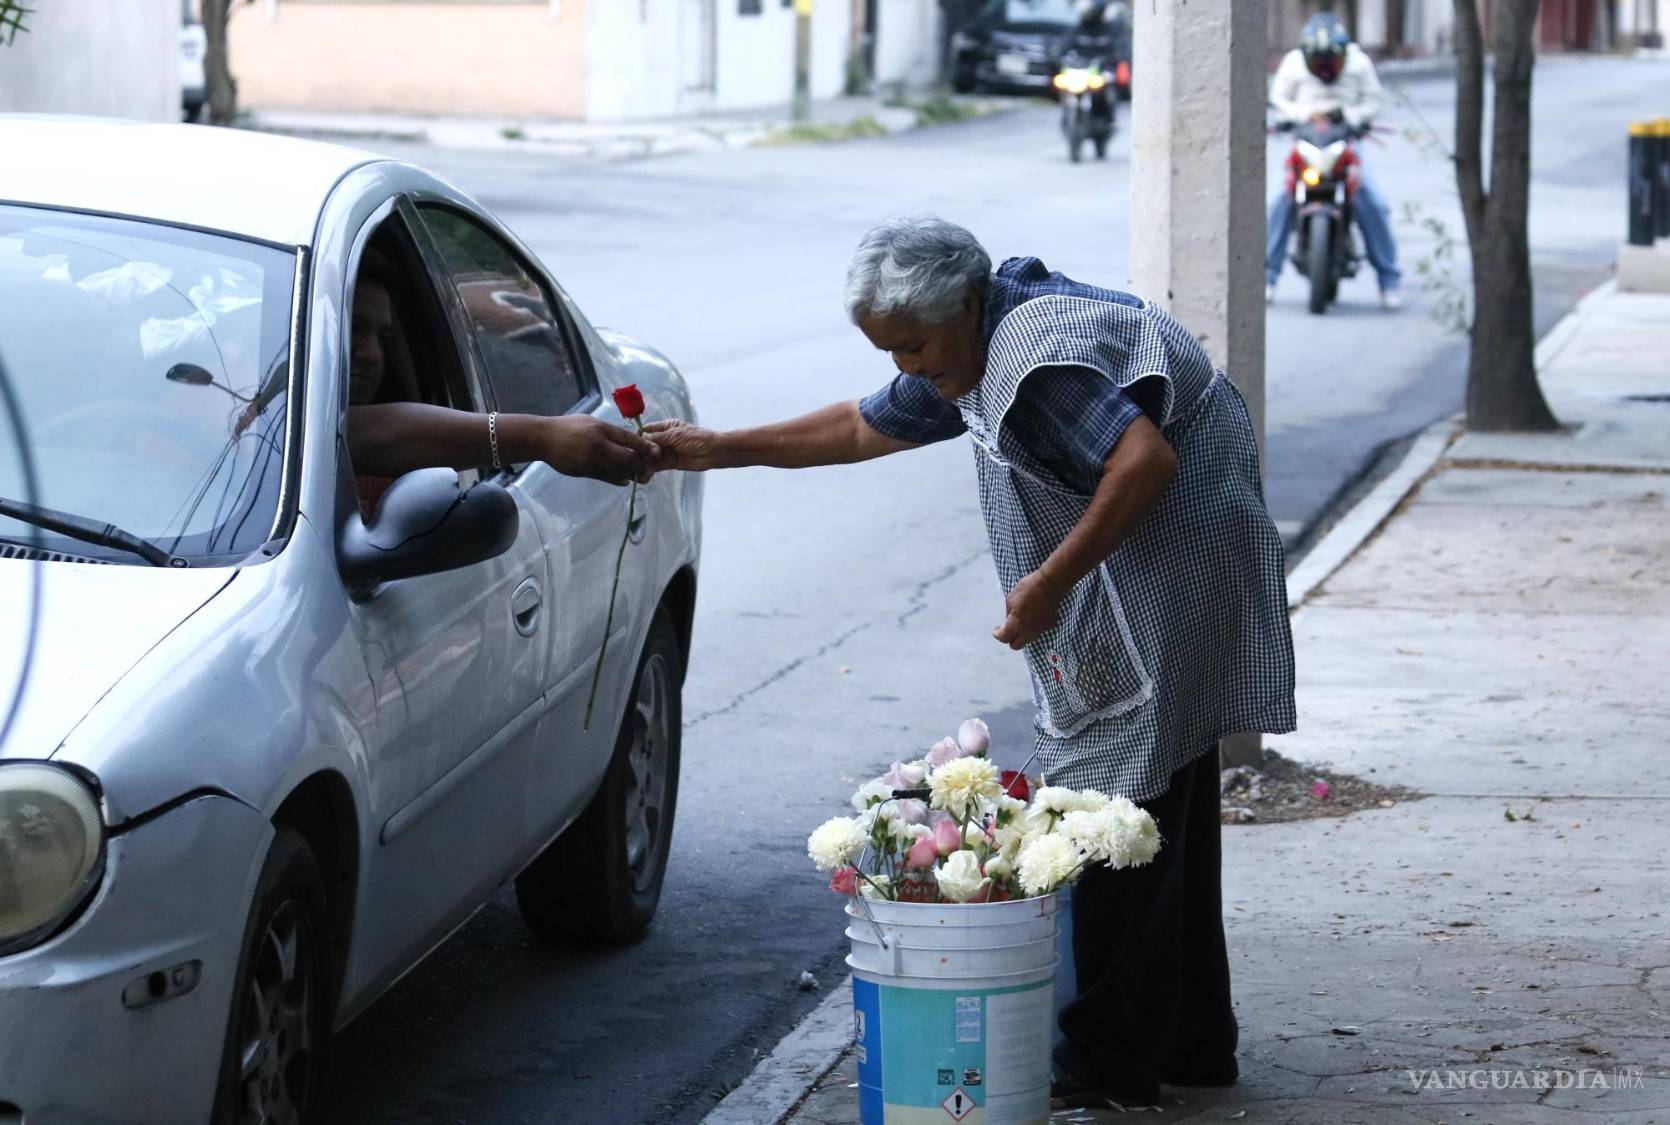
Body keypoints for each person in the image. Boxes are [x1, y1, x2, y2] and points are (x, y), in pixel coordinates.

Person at [647, 217, 1297, 1106]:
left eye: (913, 346)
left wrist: (1050, 584)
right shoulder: (963, 343)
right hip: (1177, 558)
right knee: (1163, 804)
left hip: (1176, 561)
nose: (908, 367)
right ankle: (1192, 1041)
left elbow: (1144, 459)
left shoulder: (1030, 363)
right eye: (892, 351)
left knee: (1112, 816)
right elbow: (858, 426)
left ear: (961, 304)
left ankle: (1107, 1069)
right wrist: (716, 448)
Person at [342, 254, 656, 516]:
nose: (372, 354)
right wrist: (541, 438)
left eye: (382, 338)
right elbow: (351, 433)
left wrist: (546, 438)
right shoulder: (299, 432)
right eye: (354, 329)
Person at [1266, 12, 1403, 308]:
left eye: (1331, 63)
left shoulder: (1359, 62)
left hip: (1345, 143)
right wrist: (1302, 115)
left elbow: (1373, 100)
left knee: (1372, 203)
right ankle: (1267, 277)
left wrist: (1351, 117)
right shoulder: (1292, 63)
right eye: (1318, 64)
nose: (1325, 70)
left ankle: (1389, 281)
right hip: (1305, 143)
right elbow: (1278, 98)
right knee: (1278, 201)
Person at [1064, 0, 1118, 127]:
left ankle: (1109, 119)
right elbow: (1065, 45)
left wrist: (1111, 61)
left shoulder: (1108, 31)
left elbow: (1117, 50)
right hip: (1082, 69)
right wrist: (1061, 56)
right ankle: (1066, 118)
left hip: (1102, 69)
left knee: (1108, 89)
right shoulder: (1078, 29)